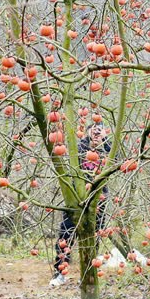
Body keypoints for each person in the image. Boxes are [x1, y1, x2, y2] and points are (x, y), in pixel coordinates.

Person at [51, 123, 115, 287]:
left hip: (98, 198)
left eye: (99, 131)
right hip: (76, 197)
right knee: (66, 234)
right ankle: (60, 273)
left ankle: (88, 273)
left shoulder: (108, 149)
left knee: (93, 236)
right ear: (87, 132)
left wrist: (103, 142)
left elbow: (117, 162)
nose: (96, 134)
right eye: (93, 130)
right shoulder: (79, 148)